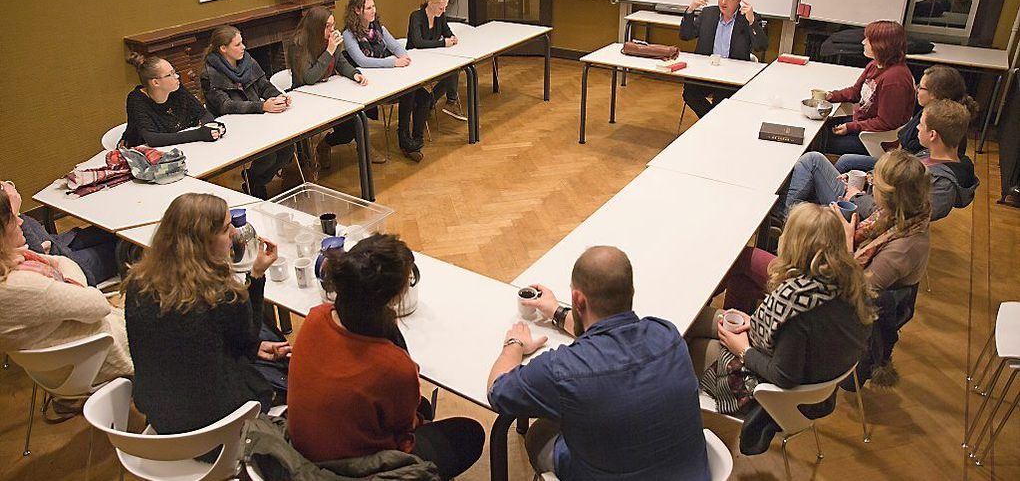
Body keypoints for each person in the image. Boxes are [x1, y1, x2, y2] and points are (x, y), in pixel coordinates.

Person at [487, 246, 710, 480]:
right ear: (631, 291)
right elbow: (610, 330)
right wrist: (556, 312)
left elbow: (497, 390)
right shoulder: (667, 335)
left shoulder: (562, 370)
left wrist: (515, 343)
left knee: (540, 432)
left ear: (578, 299)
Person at [287, 234, 484, 480]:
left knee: (420, 405)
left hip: (302, 453)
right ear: (393, 297)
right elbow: (404, 434)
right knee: (469, 433)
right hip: (350, 470)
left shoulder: (316, 316)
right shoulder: (392, 366)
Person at [687, 203, 872, 455]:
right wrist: (756, 322)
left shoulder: (798, 309)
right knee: (702, 318)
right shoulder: (849, 283)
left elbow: (784, 376)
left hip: (770, 391)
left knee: (685, 343)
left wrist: (743, 350)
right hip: (805, 368)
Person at [123, 193, 289, 439]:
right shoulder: (220, 294)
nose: (233, 232)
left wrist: (250, 346)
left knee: (263, 341)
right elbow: (247, 338)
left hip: (163, 423)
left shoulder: (137, 285)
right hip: (219, 430)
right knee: (286, 366)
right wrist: (256, 275)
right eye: (225, 229)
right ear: (202, 241)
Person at [726, 150, 931, 314]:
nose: (871, 183)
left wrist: (847, 239)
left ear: (888, 194)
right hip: (829, 270)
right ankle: (735, 329)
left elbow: (856, 294)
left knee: (743, 259)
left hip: (827, 300)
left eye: (873, 182)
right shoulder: (903, 214)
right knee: (742, 280)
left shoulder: (904, 248)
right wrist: (853, 191)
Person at [0, 189, 132, 382]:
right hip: (97, 358)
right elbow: (98, 304)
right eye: (12, 219)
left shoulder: (13, 266)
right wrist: (65, 266)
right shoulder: (22, 286)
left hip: (66, 358)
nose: (20, 220)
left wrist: (59, 263)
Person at [781, 99, 977, 222]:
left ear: (933, 134)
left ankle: (789, 220)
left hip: (860, 212)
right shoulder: (930, 155)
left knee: (811, 162)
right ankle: (789, 213)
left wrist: (856, 196)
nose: (917, 128)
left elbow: (898, 219)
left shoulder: (943, 186)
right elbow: (895, 183)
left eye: (921, 125)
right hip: (864, 197)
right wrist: (868, 179)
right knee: (812, 161)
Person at [200, 25, 294, 199]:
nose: (243, 47)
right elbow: (225, 106)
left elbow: (263, 85)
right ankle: (255, 182)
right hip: (234, 126)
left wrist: (279, 96)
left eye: (242, 42)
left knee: (287, 148)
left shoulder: (247, 62)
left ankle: (255, 179)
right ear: (223, 49)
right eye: (238, 44)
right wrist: (262, 106)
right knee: (268, 155)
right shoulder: (209, 74)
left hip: (257, 120)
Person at [834, 64, 979, 173]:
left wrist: (875, 174)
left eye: (921, 87)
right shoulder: (932, 112)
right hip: (900, 162)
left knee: (844, 162)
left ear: (935, 95)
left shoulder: (937, 124)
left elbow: (913, 166)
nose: (916, 89)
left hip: (902, 170)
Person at [289, 5, 384, 168]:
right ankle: (364, 149)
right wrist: (329, 51)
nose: (332, 29)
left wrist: (355, 74)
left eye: (332, 25)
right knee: (353, 124)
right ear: (316, 26)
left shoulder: (330, 39)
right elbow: (309, 78)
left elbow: (341, 63)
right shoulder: (298, 45)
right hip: (307, 99)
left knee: (353, 121)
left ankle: (325, 145)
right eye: (327, 26)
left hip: (329, 93)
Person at [342, 0, 432, 162]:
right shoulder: (349, 34)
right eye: (368, 8)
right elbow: (362, 61)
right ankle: (404, 139)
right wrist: (393, 63)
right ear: (357, 11)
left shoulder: (378, 28)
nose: (373, 11)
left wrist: (402, 56)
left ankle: (415, 139)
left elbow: (396, 46)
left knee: (423, 96)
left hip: (389, 77)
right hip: (372, 82)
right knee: (409, 93)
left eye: (373, 6)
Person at [823, 20, 916, 156]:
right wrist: (831, 95)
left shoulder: (895, 80)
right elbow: (855, 93)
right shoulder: (874, 65)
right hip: (863, 123)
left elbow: (886, 123)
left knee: (822, 140)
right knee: (823, 126)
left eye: (868, 39)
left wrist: (851, 127)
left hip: (875, 138)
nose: (863, 42)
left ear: (882, 46)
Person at [679, 0, 768, 117]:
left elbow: (761, 47)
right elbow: (685, 35)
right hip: (704, 72)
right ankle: (712, 121)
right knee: (690, 93)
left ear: (740, 0)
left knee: (722, 101)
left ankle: (711, 123)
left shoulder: (749, 18)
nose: (723, 2)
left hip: (732, 77)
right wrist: (690, 10)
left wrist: (752, 22)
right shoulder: (708, 14)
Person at [3, 179, 120, 286]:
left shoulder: (9, 226)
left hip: (56, 245)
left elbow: (40, 238)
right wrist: (14, 213)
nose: (19, 221)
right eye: (13, 220)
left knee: (112, 230)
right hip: (64, 268)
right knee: (123, 247)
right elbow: (39, 254)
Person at [123, 53, 221, 147]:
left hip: (183, 147)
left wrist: (212, 128)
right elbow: (153, 139)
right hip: (148, 155)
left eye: (174, 72)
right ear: (156, 82)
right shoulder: (137, 99)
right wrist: (199, 134)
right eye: (170, 74)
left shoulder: (176, 88)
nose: (177, 76)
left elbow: (204, 114)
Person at [406, 0, 466, 121]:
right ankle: (433, 102)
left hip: (432, 57)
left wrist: (452, 37)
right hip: (415, 60)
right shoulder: (416, 16)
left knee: (453, 70)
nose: (444, 11)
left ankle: (445, 102)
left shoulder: (440, 16)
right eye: (441, 8)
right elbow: (418, 43)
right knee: (451, 73)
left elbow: (447, 32)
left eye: (445, 8)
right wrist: (443, 43)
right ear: (431, 4)